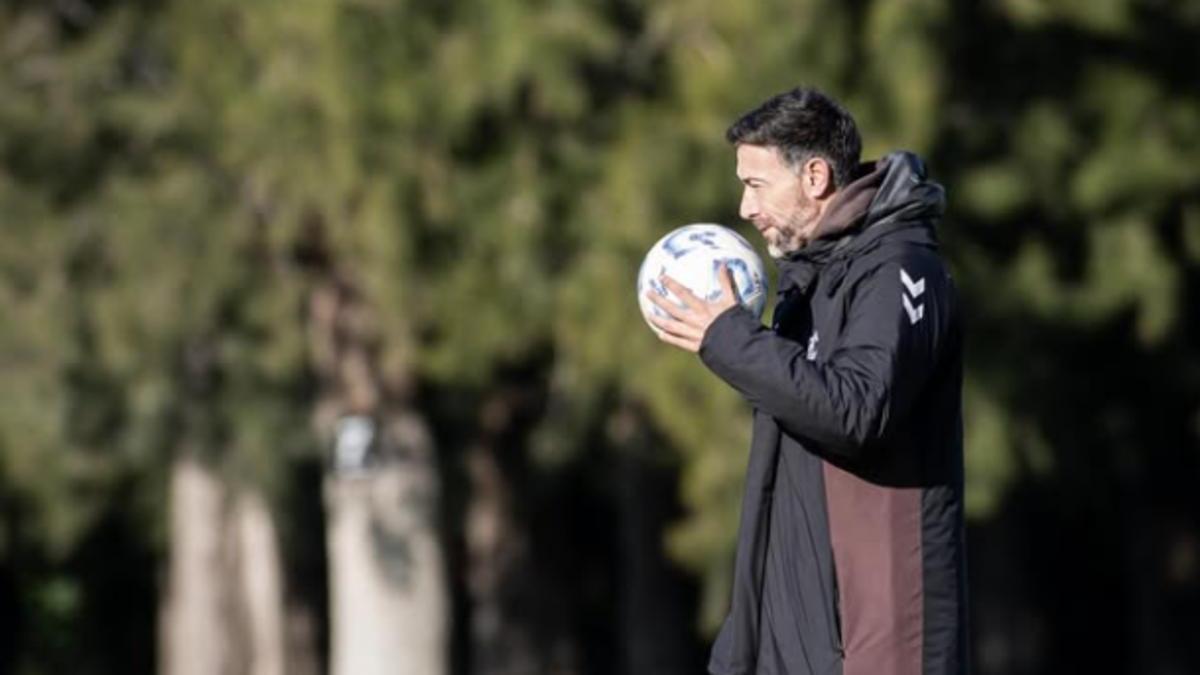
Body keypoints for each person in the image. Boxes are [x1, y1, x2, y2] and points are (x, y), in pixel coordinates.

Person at [646, 87, 968, 675]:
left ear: (815, 176)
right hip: (795, 639)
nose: (744, 207)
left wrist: (730, 339)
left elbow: (857, 410)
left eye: (756, 184)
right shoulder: (806, 283)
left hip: (881, 641)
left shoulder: (901, 268)